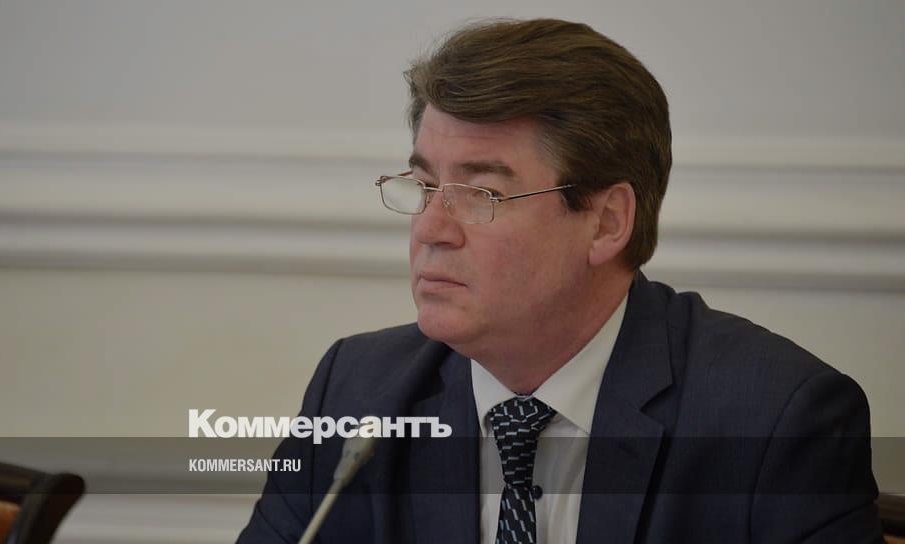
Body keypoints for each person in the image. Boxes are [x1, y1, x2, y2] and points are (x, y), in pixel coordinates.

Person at [238, 18, 882, 543]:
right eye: (426, 185)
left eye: (482, 193)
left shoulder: (774, 420)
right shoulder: (357, 393)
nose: (431, 227)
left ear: (606, 222)